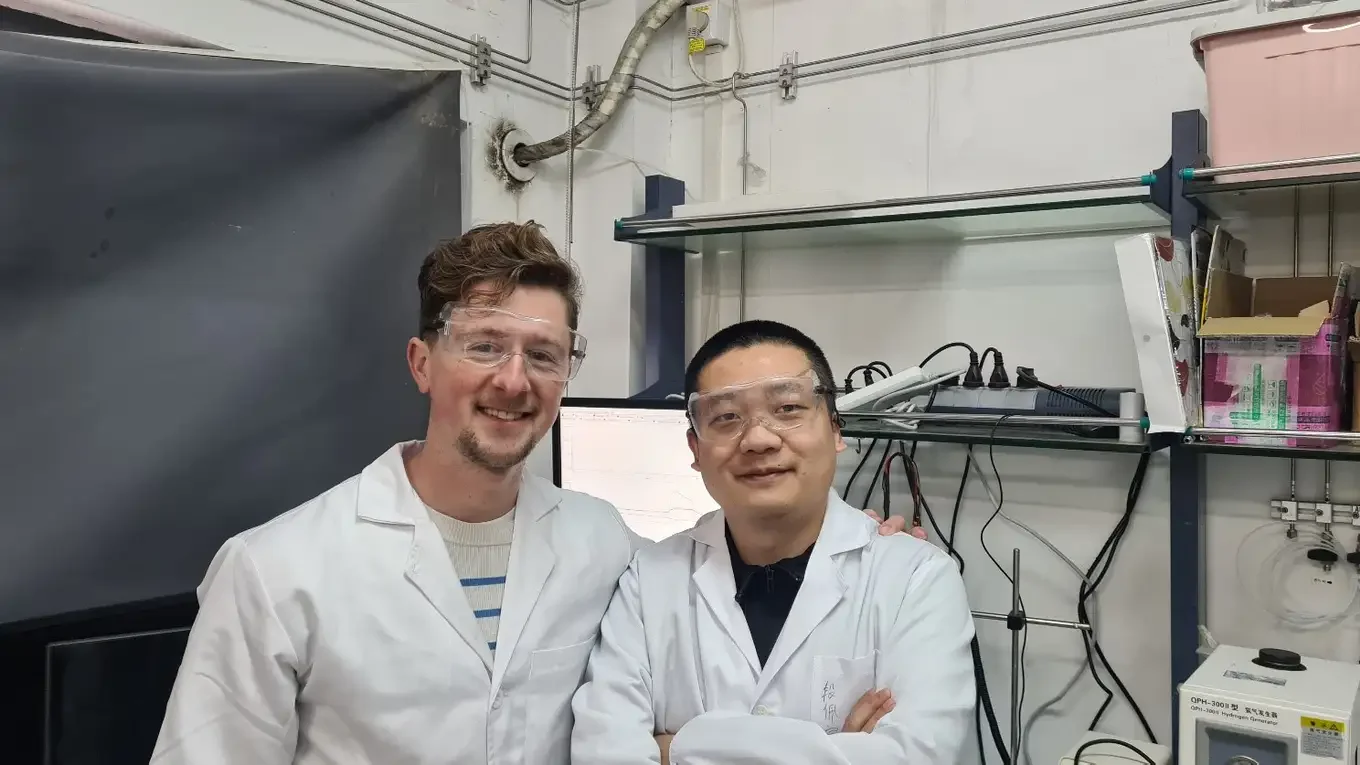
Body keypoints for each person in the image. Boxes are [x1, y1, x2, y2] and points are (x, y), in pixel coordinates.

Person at [151, 222, 907, 765]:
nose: (514, 380)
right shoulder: (274, 570)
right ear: (422, 361)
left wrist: (849, 543)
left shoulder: (600, 540)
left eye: (544, 354)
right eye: (484, 345)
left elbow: (715, 590)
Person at [571, 319, 978, 765]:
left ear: (836, 428)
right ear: (694, 448)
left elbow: (917, 757)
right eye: (726, 417)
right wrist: (835, 750)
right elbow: (604, 754)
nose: (759, 439)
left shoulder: (917, 580)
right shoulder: (647, 582)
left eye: (787, 408)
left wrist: (676, 748)